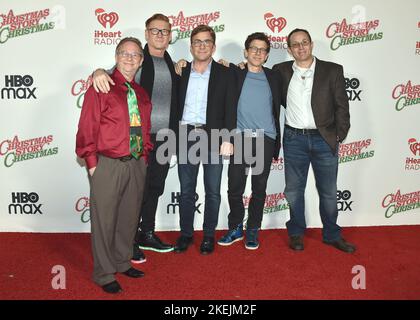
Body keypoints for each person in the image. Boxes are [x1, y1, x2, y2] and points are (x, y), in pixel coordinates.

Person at [92, 14, 178, 263]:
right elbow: (109, 77)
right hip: (139, 139)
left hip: (166, 136)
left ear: (170, 35)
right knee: (134, 192)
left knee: (155, 187)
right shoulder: (138, 60)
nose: (160, 35)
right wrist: (97, 70)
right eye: (155, 30)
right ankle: (127, 241)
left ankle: (146, 233)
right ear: (146, 33)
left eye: (164, 31)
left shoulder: (173, 63)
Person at [76, 37, 153, 294]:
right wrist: (92, 164)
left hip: (136, 163)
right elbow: (87, 127)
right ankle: (104, 272)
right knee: (104, 221)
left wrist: (144, 157)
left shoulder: (141, 93)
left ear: (141, 61)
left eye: (135, 55)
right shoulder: (101, 86)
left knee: (129, 218)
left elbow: (145, 129)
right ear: (116, 56)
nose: (130, 59)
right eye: (125, 53)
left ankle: (121, 261)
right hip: (107, 164)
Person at [272, 28, 356, 253]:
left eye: (305, 42)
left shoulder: (332, 70)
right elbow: (261, 84)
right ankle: (296, 233)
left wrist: (340, 133)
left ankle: (331, 234)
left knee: (328, 190)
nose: (301, 47)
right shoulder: (279, 71)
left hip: (324, 138)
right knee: (293, 190)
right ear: (289, 49)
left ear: (311, 44)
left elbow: (342, 105)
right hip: (294, 139)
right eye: (296, 44)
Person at [174, 25, 236, 255]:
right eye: (197, 42)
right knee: (187, 188)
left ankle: (208, 235)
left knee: (212, 190)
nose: (202, 45)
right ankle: (186, 234)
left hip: (215, 136)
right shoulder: (180, 71)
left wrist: (228, 137)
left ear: (213, 46)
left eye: (206, 41)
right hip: (185, 135)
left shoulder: (225, 73)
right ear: (191, 46)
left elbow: (231, 107)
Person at [217, 32, 281, 250]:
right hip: (240, 138)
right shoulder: (234, 73)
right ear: (245, 52)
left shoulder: (274, 77)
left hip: (265, 139)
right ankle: (236, 226)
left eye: (262, 50)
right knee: (235, 186)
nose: (257, 52)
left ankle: (253, 228)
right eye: (253, 48)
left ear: (267, 55)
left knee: (259, 188)